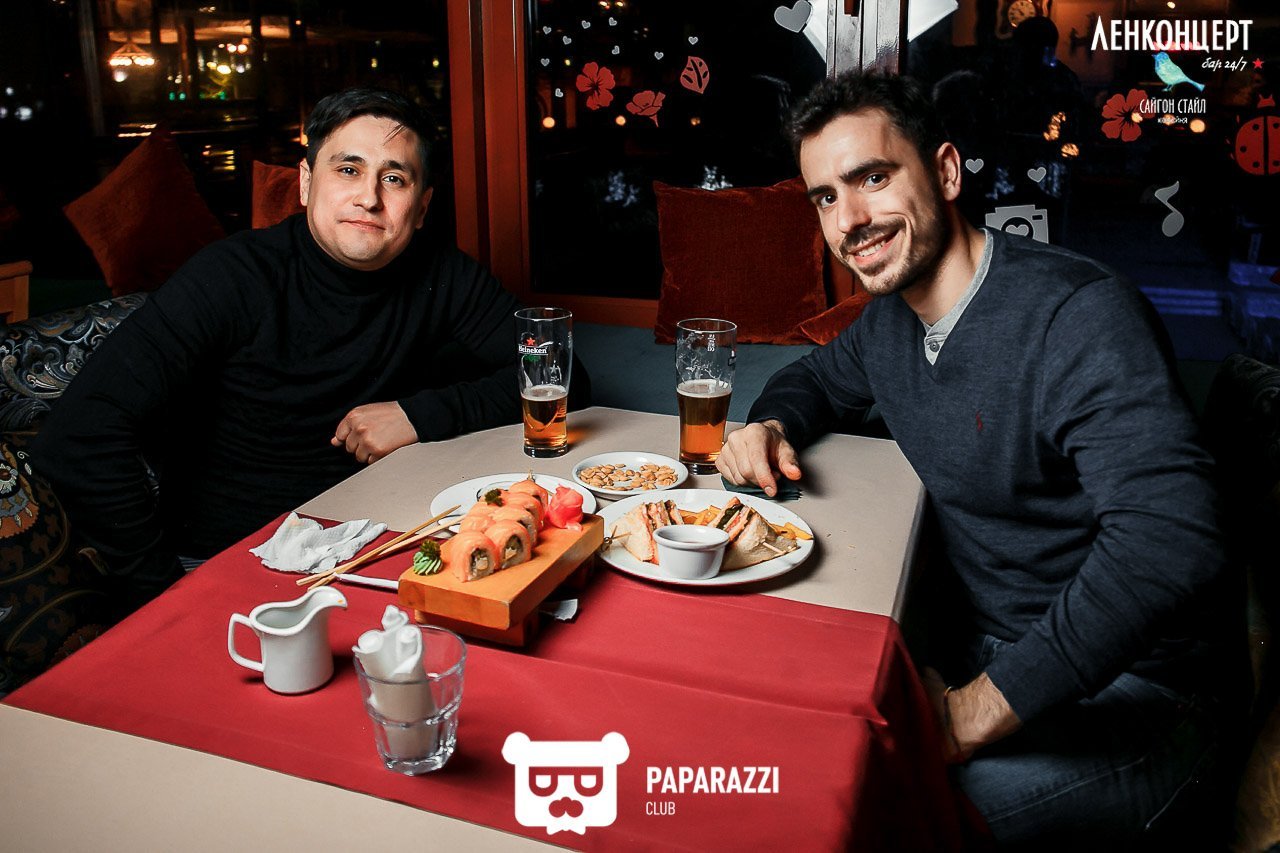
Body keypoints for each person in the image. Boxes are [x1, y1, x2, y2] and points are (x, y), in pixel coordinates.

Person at [717, 72, 1242, 847]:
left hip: (1144, 694)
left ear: (946, 172)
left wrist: (974, 708)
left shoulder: (1078, 314)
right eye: (825, 196)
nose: (849, 219)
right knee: (773, 735)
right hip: (983, 647)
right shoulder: (889, 321)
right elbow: (816, 379)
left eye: (872, 178)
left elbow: (1172, 539)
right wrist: (768, 424)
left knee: (867, 821)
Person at [34, 87, 585, 612]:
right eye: (348, 170)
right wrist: (163, 595)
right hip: (235, 563)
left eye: (394, 179)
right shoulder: (232, 276)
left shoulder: (441, 273)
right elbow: (78, 436)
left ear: (421, 207)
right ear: (305, 182)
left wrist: (419, 415)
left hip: (376, 547)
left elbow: (562, 377)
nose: (369, 198)